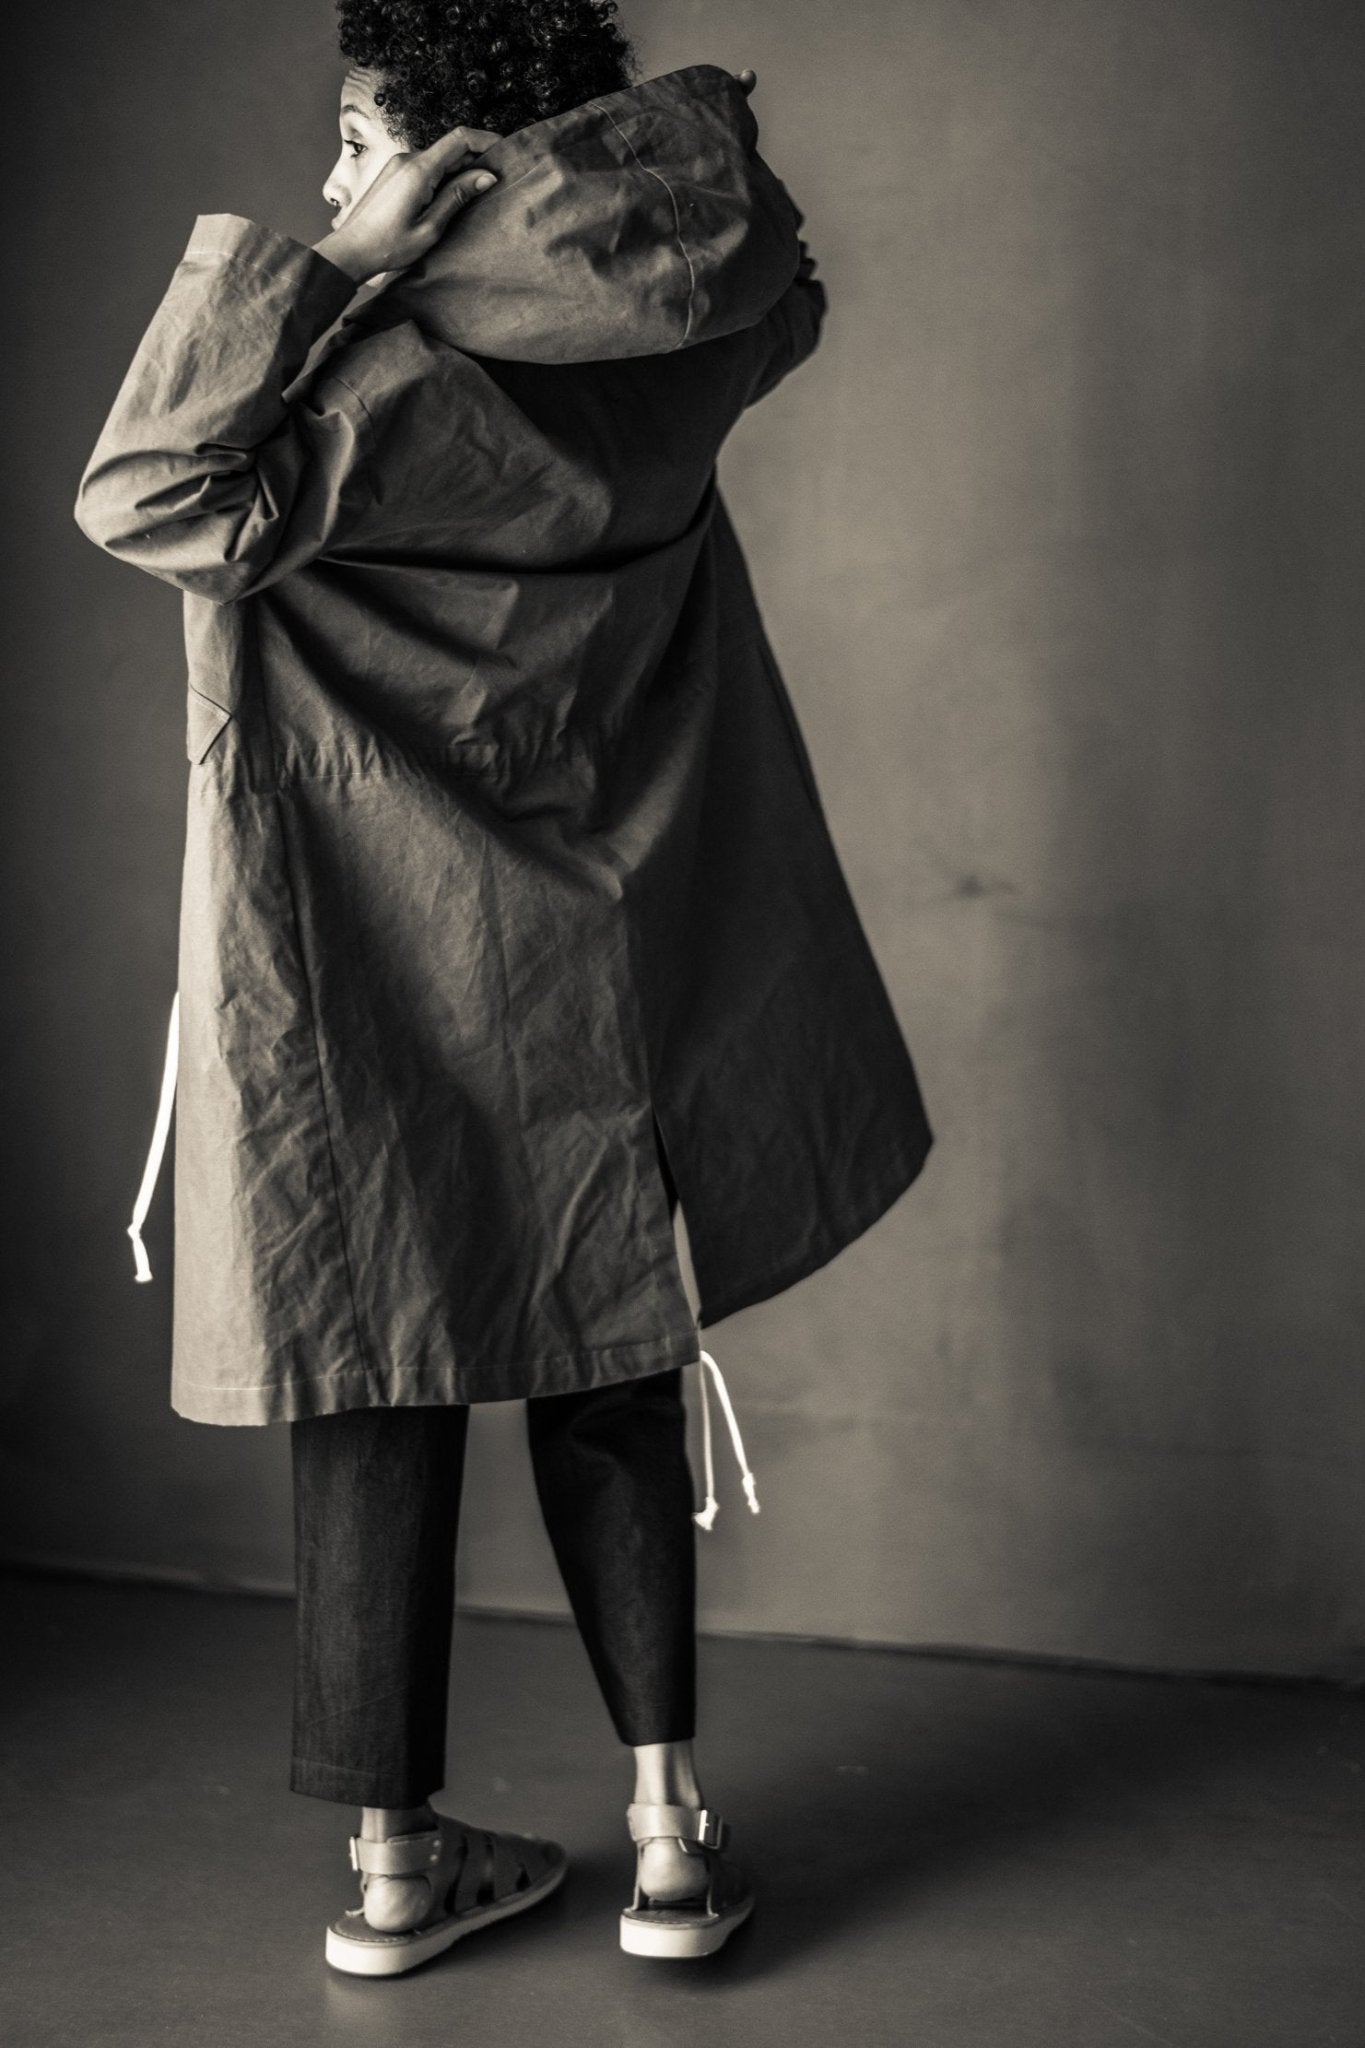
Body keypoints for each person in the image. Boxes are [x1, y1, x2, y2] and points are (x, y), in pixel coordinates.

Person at [74, 0, 933, 1979]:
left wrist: (334, 269)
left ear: (458, 171)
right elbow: (782, 289)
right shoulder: (678, 353)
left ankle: (395, 1867)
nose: (331, 180)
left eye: (360, 142)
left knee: (370, 1360)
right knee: (609, 1348)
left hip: (368, 958)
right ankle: (666, 1842)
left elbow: (146, 492)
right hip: (597, 951)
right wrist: (620, 182)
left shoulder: (366, 388)